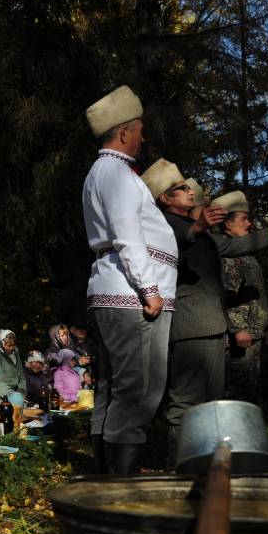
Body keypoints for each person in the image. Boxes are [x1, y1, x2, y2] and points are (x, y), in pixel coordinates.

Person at [143, 162, 268, 462]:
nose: (191, 191)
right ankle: (181, 472)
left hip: (211, 325)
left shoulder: (199, 232)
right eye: (182, 188)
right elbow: (169, 245)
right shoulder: (161, 224)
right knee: (186, 406)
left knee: (209, 406)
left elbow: (232, 247)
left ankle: (202, 467)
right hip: (190, 325)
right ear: (164, 198)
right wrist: (196, 227)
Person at [82, 86, 178, 475]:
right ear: (123, 133)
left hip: (117, 292)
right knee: (138, 392)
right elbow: (127, 234)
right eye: (138, 131)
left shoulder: (104, 172)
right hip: (132, 297)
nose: (142, 139)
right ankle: (120, 485)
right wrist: (150, 290)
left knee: (112, 388)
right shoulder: (116, 173)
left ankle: (107, 478)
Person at [216, 192, 268, 406]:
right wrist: (238, 328)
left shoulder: (245, 253)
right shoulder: (229, 254)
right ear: (228, 224)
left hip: (253, 333)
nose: (249, 224)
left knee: (250, 392)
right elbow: (226, 294)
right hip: (239, 338)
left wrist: (265, 326)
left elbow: (255, 294)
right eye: (243, 219)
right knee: (237, 396)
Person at [0, 329, 27, 400]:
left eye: (13, 345)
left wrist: (21, 391)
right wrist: (12, 398)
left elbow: (21, 375)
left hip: (18, 393)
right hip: (3, 395)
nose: (11, 348)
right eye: (8, 345)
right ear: (1, 344)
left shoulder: (15, 353)